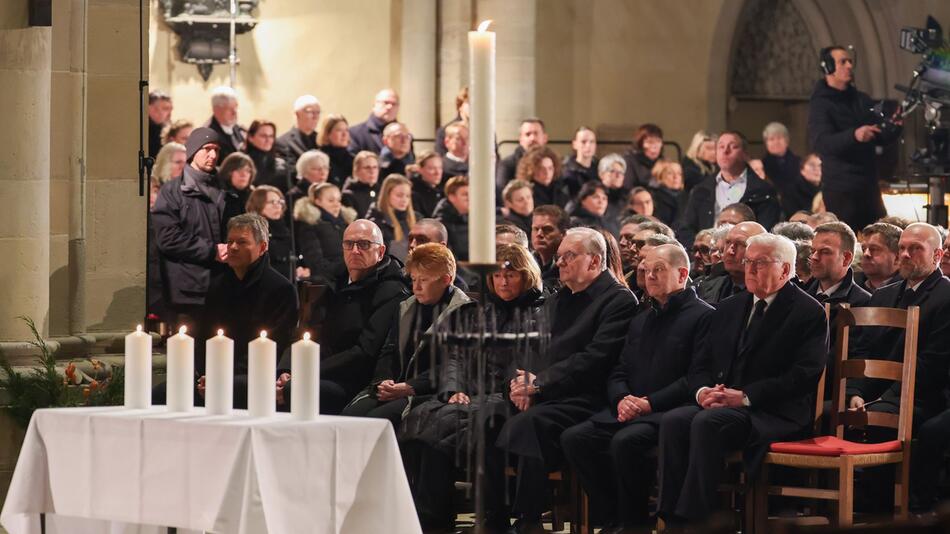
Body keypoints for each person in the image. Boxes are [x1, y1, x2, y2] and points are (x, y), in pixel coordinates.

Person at [658, 233, 828, 525]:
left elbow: (803, 376)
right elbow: (701, 363)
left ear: (786, 270)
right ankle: (670, 518)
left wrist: (745, 396)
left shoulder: (808, 312)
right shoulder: (729, 307)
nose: (749, 268)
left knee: (706, 423)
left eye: (760, 263)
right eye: (748, 261)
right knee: (674, 421)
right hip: (723, 403)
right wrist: (703, 392)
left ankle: (698, 521)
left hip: (773, 410)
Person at [483, 227, 638, 533]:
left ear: (594, 262)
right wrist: (518, 385)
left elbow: (596, 358)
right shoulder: (561, 298)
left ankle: (528, 519)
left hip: (586, 397)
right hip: (546, 394)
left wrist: (539, 384)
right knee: (487, 419)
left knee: (531, 424)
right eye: (559, 256)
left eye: (569, 256)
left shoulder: (619, 300)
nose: (559, 263)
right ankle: (495, 516)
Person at [562, 244, 713, 531]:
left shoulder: (704, 316)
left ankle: (633, 522)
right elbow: (618, 369)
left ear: (682, 274)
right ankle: (611, 516)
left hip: (668, 412)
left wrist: (648, 403)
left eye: (659, 270)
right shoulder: (642, 317)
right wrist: (621, 398)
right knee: (575, 438)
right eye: (646, 270)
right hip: (628, 409)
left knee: (625, 443)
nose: (650, 276)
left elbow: (696, 378)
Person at [401, 243, 544, 531]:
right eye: (497, 276)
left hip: (512, 396)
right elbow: (456, 357)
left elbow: (527, 363)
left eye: (511, 275)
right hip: (473, 393)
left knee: (472, 421)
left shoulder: (538, 311)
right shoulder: (479, 312)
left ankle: (491, 514)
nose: (503, 282)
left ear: (526, 276)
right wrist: (454, 388)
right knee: (425, 414)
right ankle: (431, 515)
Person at [846, 223, 950, 514]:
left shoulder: (946, 297)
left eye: (915, 248)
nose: (905, 254)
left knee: (881, 417)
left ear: (937, 255)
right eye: (902, 248)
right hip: (879, 392)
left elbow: (932, 364)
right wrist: (855, 393)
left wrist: (881, 400)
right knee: (828, 410)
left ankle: (882, 504)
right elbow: (866, 353)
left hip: (923, 396)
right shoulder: (883, 295)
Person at [279, 219, 410, 415]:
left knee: (292, 390)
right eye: (349, 244)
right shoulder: (335, 280)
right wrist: (286, 370)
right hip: (319, 371)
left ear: (381, 251)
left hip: (357, 380)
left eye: (364, 244)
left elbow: (364, 352)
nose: (355, 250)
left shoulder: (391, 289)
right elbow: (307, 332)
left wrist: (306, 372)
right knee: (270, 386)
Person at [343, 243, 473, 424]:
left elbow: (455, 363)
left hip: (429, 392)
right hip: (395, 386)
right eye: (413, 279)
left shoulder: (464, 311)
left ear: (446, 280)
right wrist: (383, 380)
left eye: (424, 280)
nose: (416, 287)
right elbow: (389, 349)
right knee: (350, 416)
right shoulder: (406, 305)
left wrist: (410, 387)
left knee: (377, 420)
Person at [188, 213, 298, 409]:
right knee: (161, 393)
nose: (233, 247)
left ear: (262, 247)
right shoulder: (217, 286)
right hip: (213, 374)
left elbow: (276, 344)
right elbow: (203, 337)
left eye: (242, 242)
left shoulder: (280, 289)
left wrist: (221, 378)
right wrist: (204, 374)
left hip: (256, 374)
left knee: (232, 387)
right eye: (229, 241)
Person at [809, 46, 903, 230]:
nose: (850, 65)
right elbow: (822, 142)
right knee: (847, 240)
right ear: (828, 67)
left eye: (850, 61)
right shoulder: (820, 103)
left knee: (881, 235)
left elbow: (879, 136)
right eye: (843, 61)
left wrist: (894, 127)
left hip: (868, 185)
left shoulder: (861, 99)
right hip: (841, 189)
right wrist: (854, 135)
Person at [151, 128, 226, 327]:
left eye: (216, 150)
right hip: (188, 293)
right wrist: (212, 251)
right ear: (193, 151)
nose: (213, 155)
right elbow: (168, 238)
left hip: (224, 290)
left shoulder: (227, 191)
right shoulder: (172, 191)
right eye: (207, 149)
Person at [804, 222, 871, 402]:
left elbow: (857, 356)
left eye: (825, 252)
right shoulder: (800, 297)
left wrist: (852, 393)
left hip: (830, 392)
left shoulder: (863, 302)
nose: (815, 257)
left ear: (847, 258)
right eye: (813, 251)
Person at [676, 131, 781, 245]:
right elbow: (686, 229)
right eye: (721, 147)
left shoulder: (764, 191)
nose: (725, 151)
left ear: (745, 153)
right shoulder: (701, 190)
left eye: (733, 146)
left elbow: (765, 234)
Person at [294, 182, 356, 282]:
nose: (337, 204)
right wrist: (347, 267)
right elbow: (316, 264)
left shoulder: (346, 223)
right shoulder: (310, 226)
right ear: (318, 201)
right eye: (331, 200)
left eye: (339, 200)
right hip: (330, 282)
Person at [696, 221, 766, 307]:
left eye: (741, 244)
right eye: (728, 242)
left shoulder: (768, 294)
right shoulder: (704, 287)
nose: (729, 251)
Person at [762, 121, 819, 218]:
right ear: (766, 143)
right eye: (771, 139)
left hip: (800, 205)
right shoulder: (761, 166)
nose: (776, 142)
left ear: (787, 140)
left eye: (779, 138)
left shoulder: (800, 162)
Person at [245, 185, 294, 281]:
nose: (277, 205)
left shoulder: (284, 229)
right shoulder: (251, 229)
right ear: (258, 204)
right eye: (272, 202)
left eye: (280, 202)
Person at [366, 174, 419, 261]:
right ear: (387, 195)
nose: (404, 200)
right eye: (399, 195)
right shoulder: (376, 223)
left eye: (407, 196)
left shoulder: (417, 218)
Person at [496, 118, 548, 191]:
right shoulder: (507, 165)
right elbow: (502, 195)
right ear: (520, 139)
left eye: (536, 134)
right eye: (528, 134)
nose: (532, 138)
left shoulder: (554, 163)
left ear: (545, 138)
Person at [275, 94, 320, 171]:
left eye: (318, 112)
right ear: (297, 114)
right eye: (310, 112)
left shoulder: (322, 140)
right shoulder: (282, 143)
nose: (315, 117)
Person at [242, 119, 289, 192]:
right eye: (263, 136)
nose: (268, 140)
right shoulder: (242, 163)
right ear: (250, 138)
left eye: (271, 136)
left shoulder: (281, 164)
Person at [855, 222, 903, 292]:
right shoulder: (850, 285)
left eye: (874, 249)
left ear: (897, 258)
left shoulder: (908, 288)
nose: (866, 254)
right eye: (863, 249)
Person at [349, 88, 400, 154]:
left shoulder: (405, 136)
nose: (389, 107)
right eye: (386, 102)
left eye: (394, 104)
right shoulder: (355, 133)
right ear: (374, 105)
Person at [531, 205, 568, 293]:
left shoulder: (568, 266)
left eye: (547, 229)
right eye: (535, 229)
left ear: (563, 234)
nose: (539, 234)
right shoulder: (526, 264)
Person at [203, 86, 245, 162]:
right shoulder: (208, 135)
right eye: (230, 108)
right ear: (216, 109)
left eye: (236, 107)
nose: (234, 112)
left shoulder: (239, 129)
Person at [433, 176, 470, 262]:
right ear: (452, 197)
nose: (470, 198)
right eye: (465, 194)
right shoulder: (441, 225)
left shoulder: (470, 220)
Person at [218, 152, 256, 230]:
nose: (244, 174)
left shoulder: (254, 196)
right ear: (228, 171)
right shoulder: (218, 196)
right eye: (239, 169)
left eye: (248, 170)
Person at [622, 123, 664, 189]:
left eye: (658, 142)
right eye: (650, 142)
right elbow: (627, 188)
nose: (654, 146)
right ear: (640, 144)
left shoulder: (663, 162)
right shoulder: (630, 161)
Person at [318, 114, 354, 187]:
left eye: (346, 130)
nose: (344, 134)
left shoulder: (353, 159)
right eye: (339, 130)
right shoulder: (319, 159)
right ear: (327, 134)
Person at [341, 151, 380, 219]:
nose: (372, 171)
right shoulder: (348, 195)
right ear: (356, 170)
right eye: (367, 168)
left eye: (375, 167)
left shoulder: (381, 191)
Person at [562, 126, 599, 196]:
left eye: (592, 142)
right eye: (583, 142)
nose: (588, 145)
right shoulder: (566, 171)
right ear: (574, 144)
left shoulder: (600, 169)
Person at [434, 86, 470, 156]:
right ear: (460, 106)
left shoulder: (486, 130)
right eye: (470, 103)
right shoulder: (444, 131)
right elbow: (441, 157)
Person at [650, 160, 686, 226]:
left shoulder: (687, 197)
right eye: (670, 173)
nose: (676, 177)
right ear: (660, 176)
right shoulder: (655, 199)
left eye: (679, 173)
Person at [409, 151, 445, 218]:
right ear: (420, 169)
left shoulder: (444, 190)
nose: (437, 173)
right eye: (431, 168)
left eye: (440, 168)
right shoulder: (413, 193)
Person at [148, 90, 173, 157]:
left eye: (171, 109)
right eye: (165, 109)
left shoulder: (165, 129)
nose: (170, 114)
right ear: (150, 109)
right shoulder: (141, 131)